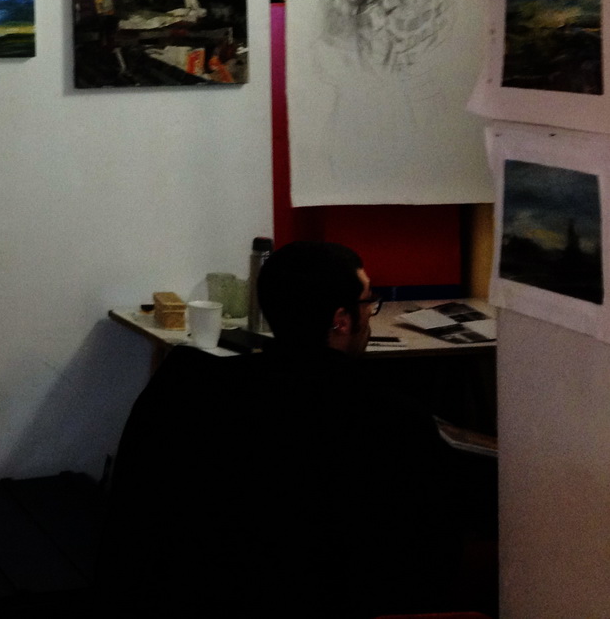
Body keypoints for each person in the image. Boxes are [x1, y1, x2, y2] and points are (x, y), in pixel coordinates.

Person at [104, 242, 464, 619]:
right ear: (341, 320)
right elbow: (426, 560)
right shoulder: (393, 422)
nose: (370, 314)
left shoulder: (195, 391)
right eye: (367, 303)